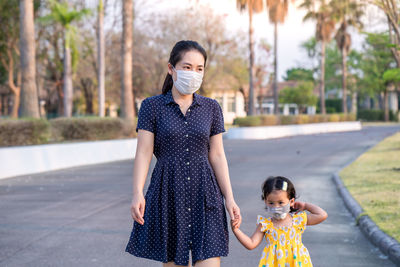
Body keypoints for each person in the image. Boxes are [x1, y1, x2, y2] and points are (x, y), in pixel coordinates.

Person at [125, 40, 241, 267]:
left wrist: (229, 197)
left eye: (199, 69)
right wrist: (137, 192)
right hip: (168, 193)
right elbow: (144, 152)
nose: (194, 73)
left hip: (205, 193)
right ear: (171, 69)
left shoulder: (211, 107)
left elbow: (217, 155)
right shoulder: (152, 106)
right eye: (187, 67)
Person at [231, 176, 327, 267]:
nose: (276, 207)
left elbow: (322, 215)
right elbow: (251, 244)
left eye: (281, 203)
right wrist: (236, 230)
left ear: (291, 202)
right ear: (265, 202)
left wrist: (305, 206)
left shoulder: (298, 220)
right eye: (271, 203)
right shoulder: (265, 225)